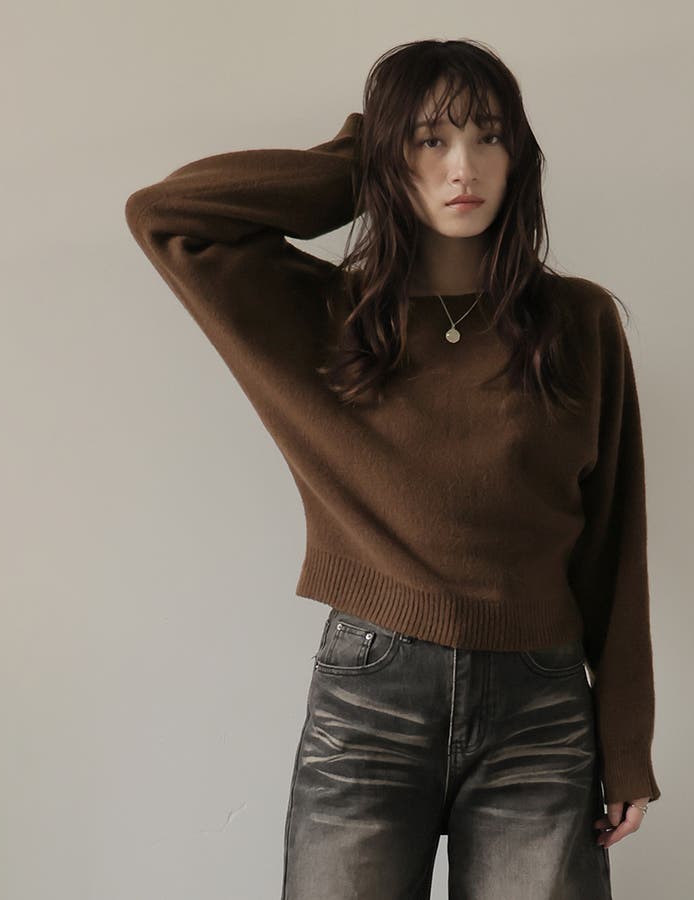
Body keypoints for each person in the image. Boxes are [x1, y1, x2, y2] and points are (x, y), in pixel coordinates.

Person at [125, 37, 660, 900]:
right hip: (370, 700)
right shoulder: (325, 318)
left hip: (541, 708)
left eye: (489, 137)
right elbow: (166, 214)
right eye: (430, 140)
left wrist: (627, 742)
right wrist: (363, 157)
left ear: (519, 158)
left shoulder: (578, 322)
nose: (463, 167)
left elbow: (613, 544)